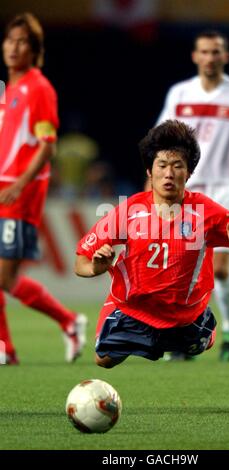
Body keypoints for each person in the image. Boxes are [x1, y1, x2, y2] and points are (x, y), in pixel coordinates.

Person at [75, 120, 229, 369]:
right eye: (162, 165)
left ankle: (196, 334)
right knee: (102, 361)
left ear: (189, 173)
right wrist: (96, 268)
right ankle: (142, 333)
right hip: (136, 309)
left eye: (178, 166)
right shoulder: (129, 210)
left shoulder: (204, 211)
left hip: (185, 317)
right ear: (149, 171)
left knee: (198, 343)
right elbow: (80, 261)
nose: (169, 174)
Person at [155, 30, 229, 361]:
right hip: (184, 185)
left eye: (216, 51)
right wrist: (155, 182)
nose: (210, 57)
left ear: (225, 57)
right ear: (195, 56)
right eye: (204, 51)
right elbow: (162, 141)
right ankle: (183, 338)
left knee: (218, 265)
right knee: (179, 265)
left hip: (227, 185)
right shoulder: (179, 93)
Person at [0, 13, 87, 365]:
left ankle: (62, 323)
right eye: (10, 39)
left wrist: (19, 185)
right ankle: (12, 345)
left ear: (34, 50)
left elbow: (46, 145)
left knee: (4, 277)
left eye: (23, 41)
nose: (14, 47)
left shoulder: (38, 88)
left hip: (19, 195)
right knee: (5, 278)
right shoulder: (8, 93)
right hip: (4, 189)